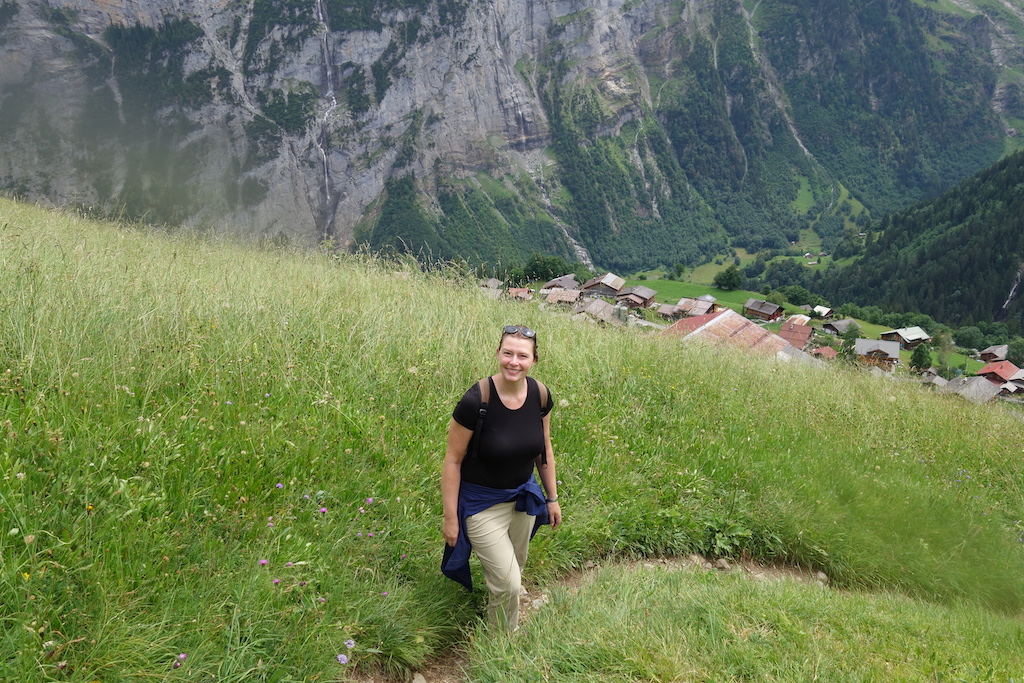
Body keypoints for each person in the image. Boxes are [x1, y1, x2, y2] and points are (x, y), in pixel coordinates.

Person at [441, 325, 561, 632]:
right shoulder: (476, 400)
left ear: (534, 360)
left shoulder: (540, 395)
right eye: (508, 353)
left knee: (513, 571)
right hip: (481, 505)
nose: (514, 362)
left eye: (522, 356)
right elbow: (452, 461)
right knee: (509, 584)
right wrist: (450, 518)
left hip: (522, 500)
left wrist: (552, 498)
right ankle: (502, 644)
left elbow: (544, 448)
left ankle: (498, 613)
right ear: (497, 353)